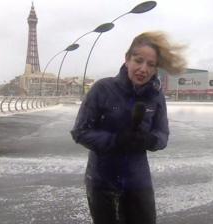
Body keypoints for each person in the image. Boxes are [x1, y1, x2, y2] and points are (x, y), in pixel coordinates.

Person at [71, 31, 186, 224]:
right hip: (103, 181)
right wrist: (115, 140)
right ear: (127, 59)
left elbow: (162, 134)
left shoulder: (155, 96)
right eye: (138, 60)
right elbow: (80, 131)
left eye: (151, 64)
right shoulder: (103, 89)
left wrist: (150, 140)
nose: (143, 69)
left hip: (138, 182)